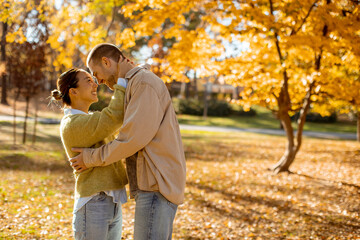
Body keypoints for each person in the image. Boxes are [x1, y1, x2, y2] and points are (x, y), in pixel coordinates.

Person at [69, 43, 186, 240]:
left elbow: (131, 139)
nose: (98, 81)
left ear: (107, 62)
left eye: (96, 73)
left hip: (158, 183)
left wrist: (90, 158)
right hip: (153, 182)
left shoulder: (143, 83)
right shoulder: (136, 82)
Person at [51, 60, 129, 239]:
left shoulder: (90, 119)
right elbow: (114, 117)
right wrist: (122, 80)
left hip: (112, 200)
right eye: (88, 80)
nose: (95, 83)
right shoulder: (72, 124)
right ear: (74, 91)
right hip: (94, 202)